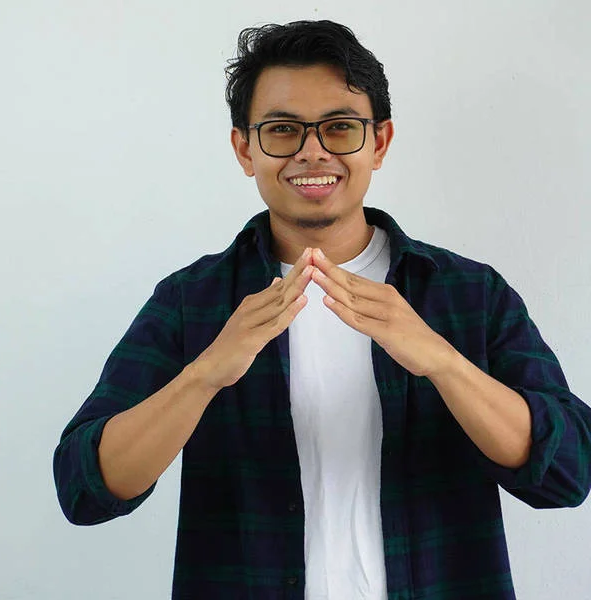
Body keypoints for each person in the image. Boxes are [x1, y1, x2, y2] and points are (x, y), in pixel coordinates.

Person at [53, 20, 591, 600]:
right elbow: (85, 488)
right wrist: (203, 375)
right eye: (283, 130)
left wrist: (443, 362)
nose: (313, 151)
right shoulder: (191, 301)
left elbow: (568, 472)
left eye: (339, 127)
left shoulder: (469, 294)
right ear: (245, 149)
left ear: (378, 143)